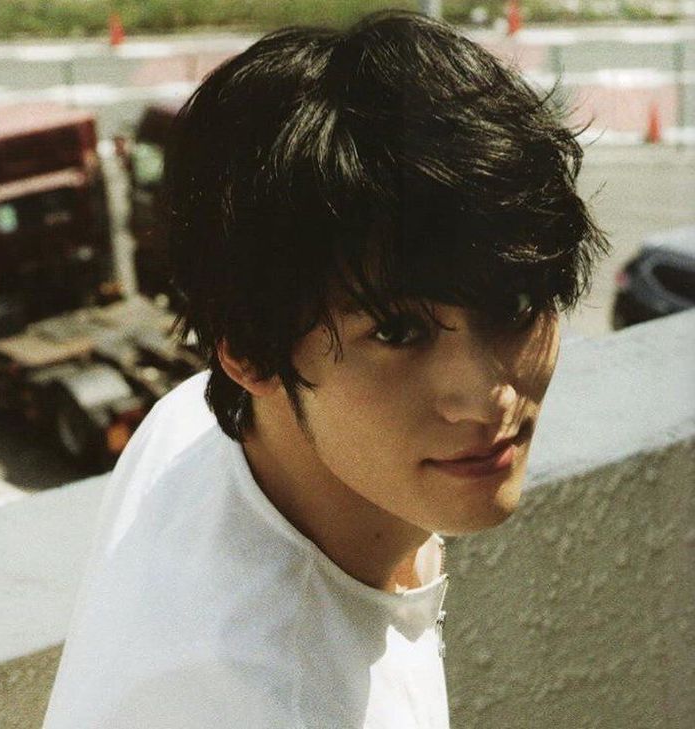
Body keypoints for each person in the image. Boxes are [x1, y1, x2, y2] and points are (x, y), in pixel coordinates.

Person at [43, 10, 607, 728]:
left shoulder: (195, 422)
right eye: (398, 331)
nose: (487, 395)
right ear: (249, 352)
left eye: (518, 302)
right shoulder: (268, 697)